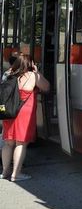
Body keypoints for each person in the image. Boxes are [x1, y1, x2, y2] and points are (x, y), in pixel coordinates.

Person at [1, 54, 51, 182]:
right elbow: (46, 87)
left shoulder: (9, 75)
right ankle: (16, 174)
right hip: (24, 114)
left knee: (8, 143)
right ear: (30, 64)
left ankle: (5, 171)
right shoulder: (33, 76)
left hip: (9, 112)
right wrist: (37, 71)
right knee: (21, 143)